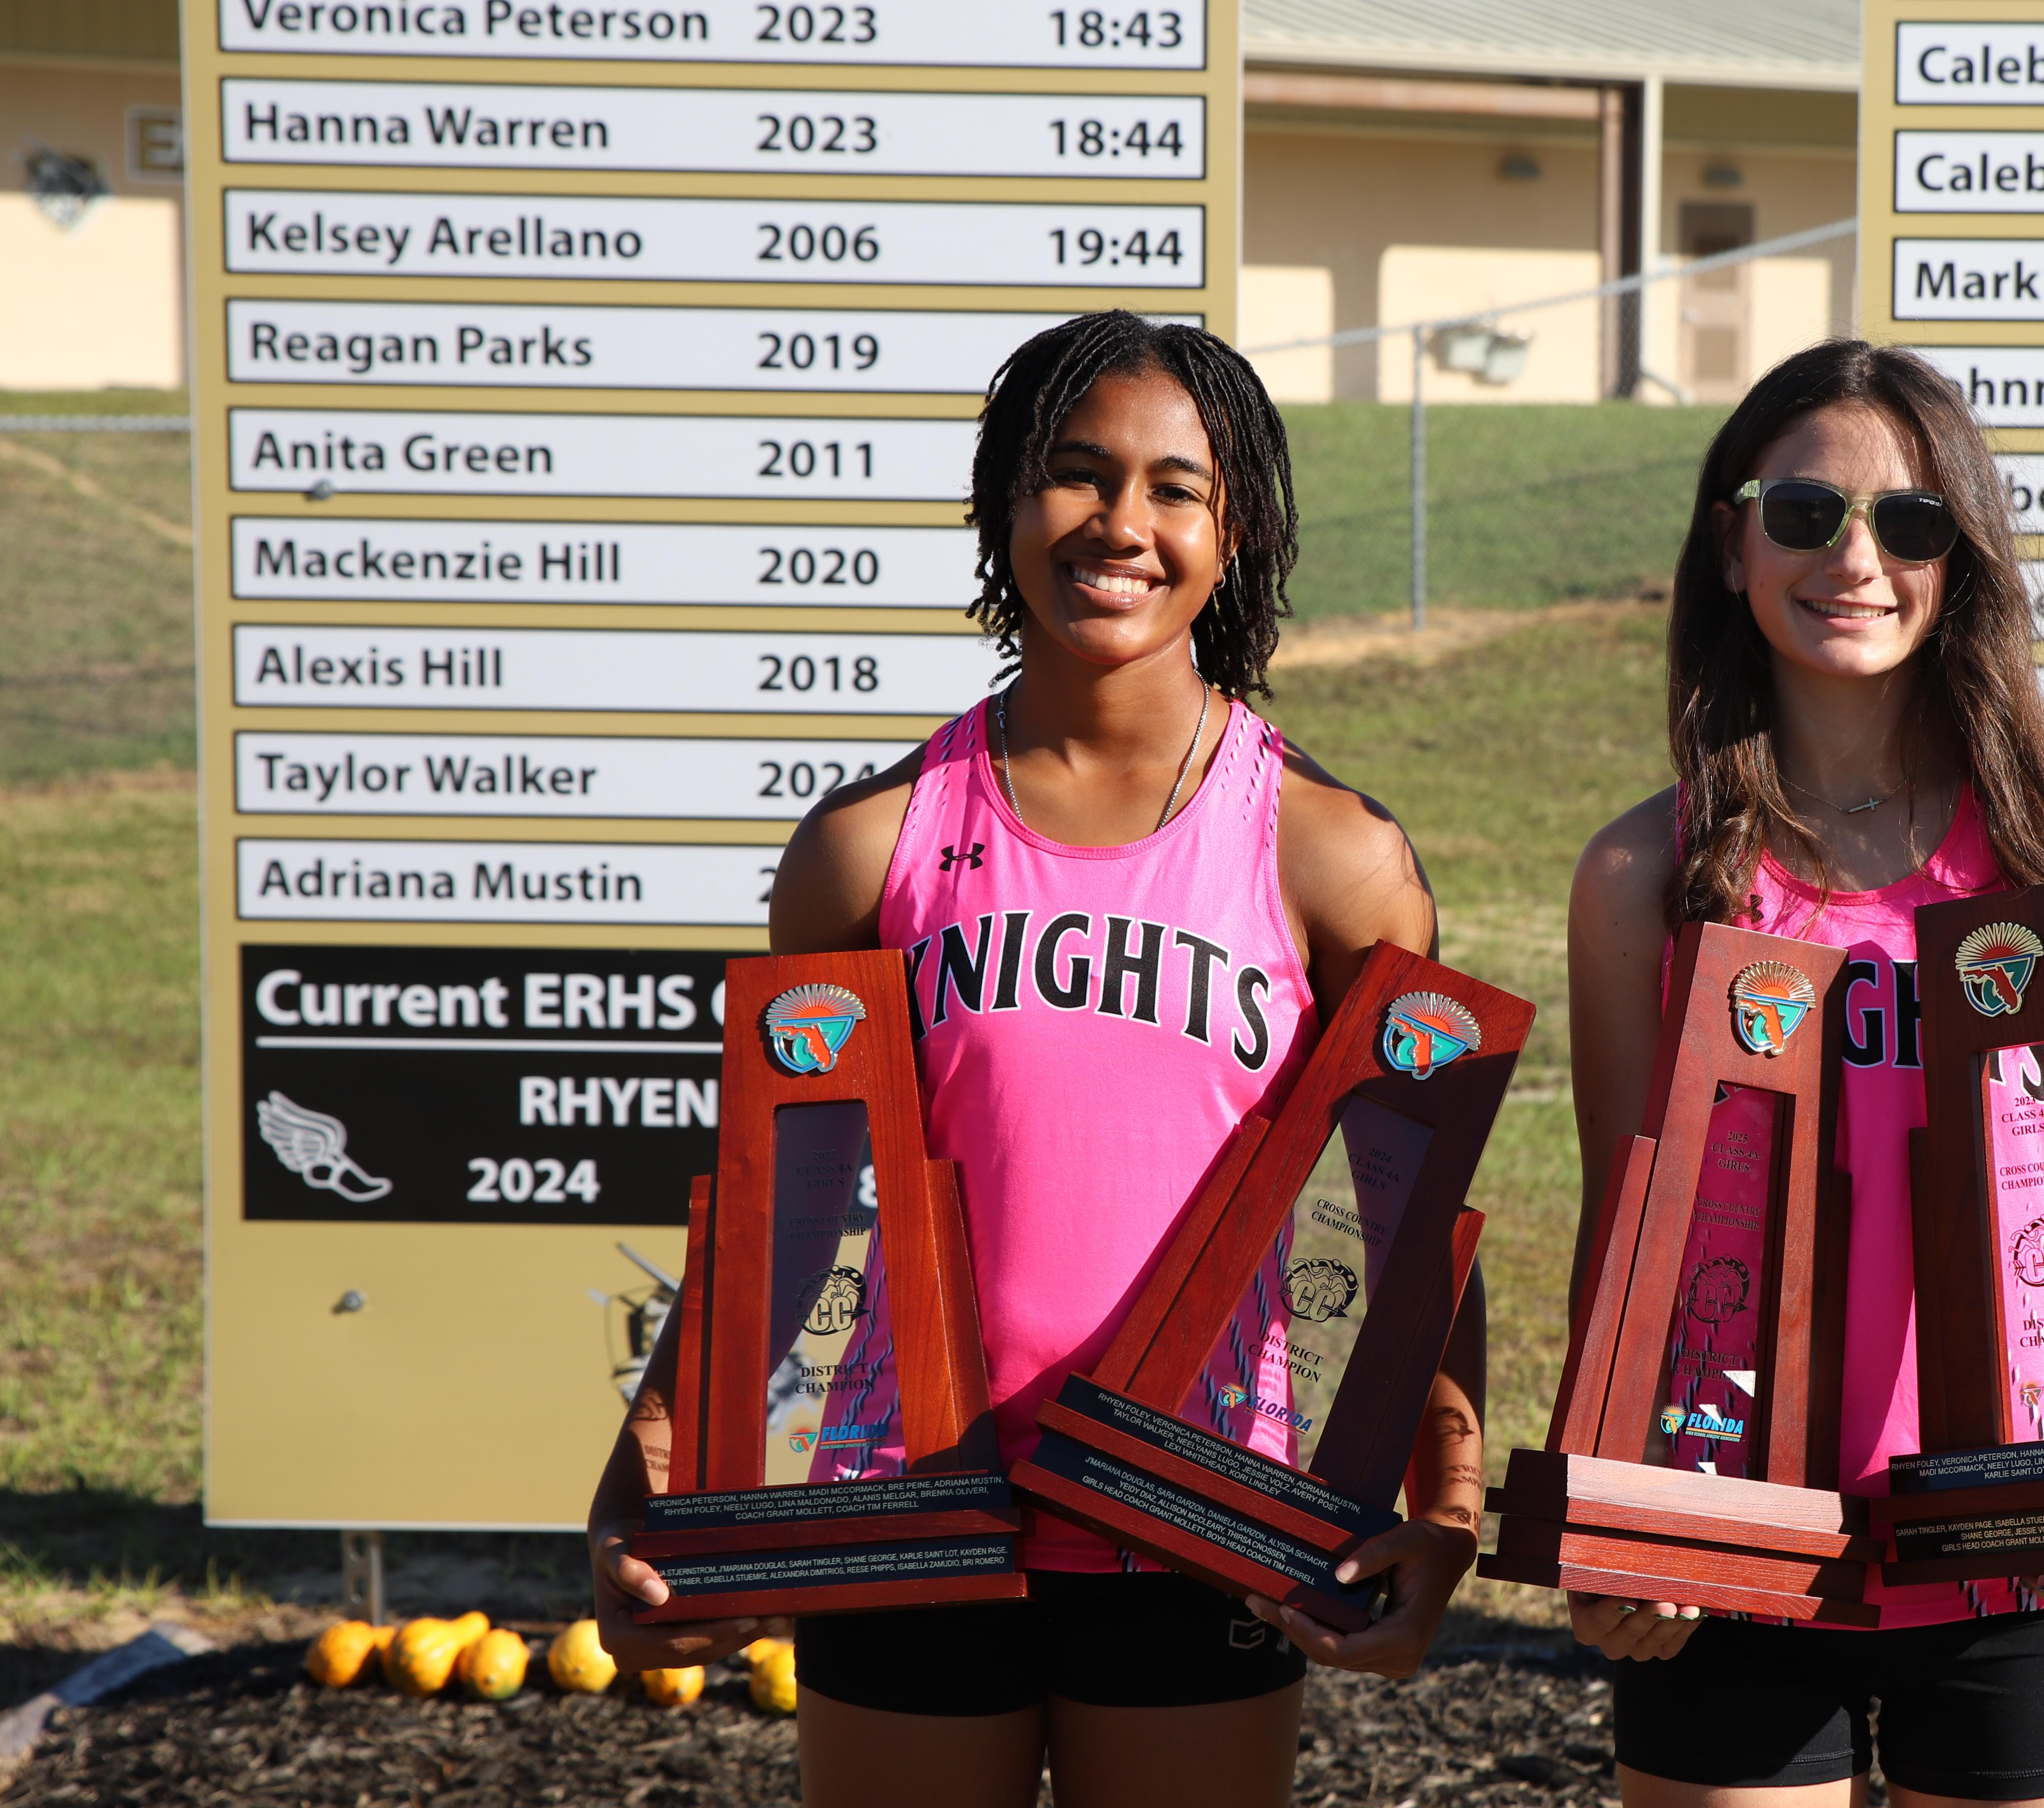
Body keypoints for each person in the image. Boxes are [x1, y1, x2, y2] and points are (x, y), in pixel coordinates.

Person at [580, 312, 1480, 1808]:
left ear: (1233, 530)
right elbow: (778, 1202)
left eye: (1174, 488)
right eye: (1075, 474)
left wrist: (1441, 1503)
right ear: (1007, 505)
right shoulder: (867, 849)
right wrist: (649, 1462)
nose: (1122, 522)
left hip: (1197, 1512)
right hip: (910, 1504)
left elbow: (1410, 1214)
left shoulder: (1331, 856)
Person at [1564, 340, 2044, 1807]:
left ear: (1961, 558)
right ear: (1730, 543)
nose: (1857, 558)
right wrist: (1611, 1521)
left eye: (1910, 523)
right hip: (1729, 1536)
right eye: (1805, 513)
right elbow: (1620, 1236)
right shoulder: (1644, 872)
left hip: (2021, 1536)